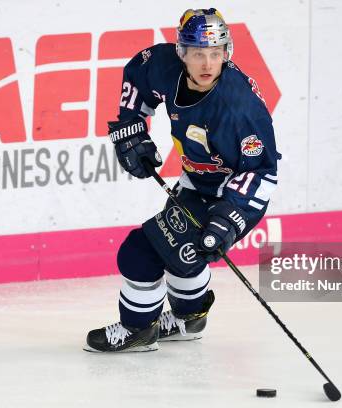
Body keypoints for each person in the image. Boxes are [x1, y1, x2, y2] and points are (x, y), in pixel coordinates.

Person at [84, 8, 281, 352]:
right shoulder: (163, 66)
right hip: (195, 181)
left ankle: (139, 329)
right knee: (182, 256)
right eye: (198, 54)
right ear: (182, 53)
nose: (207, 64)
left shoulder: (240, 109)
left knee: (139, 253)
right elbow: (139, 74)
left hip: (230, 196)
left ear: (226, 53)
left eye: (215, 54)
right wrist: (133, 131)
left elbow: (261, 171)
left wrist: (227, 221)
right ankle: (190, 318)